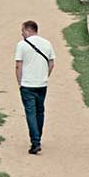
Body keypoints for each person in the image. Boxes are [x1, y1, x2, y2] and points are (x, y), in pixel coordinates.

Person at [15, 20, 55, 155]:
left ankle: (35, 141)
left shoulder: (22, 45)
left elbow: (18, 65)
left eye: (22, 31)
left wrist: (20, 82)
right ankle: (38, 136)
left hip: (27, 84)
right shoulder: (47, 43)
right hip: (42, 83)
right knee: (40, 111)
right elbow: (51, 63)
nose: (22, 34)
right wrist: (45, 75)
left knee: (30, 112)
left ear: (28, 30)